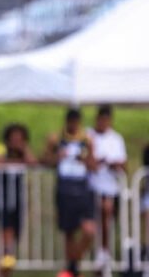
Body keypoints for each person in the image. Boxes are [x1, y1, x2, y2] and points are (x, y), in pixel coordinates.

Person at [42, 108, 96, 277]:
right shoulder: (56, 139)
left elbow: (93, 165)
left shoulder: (87, 140)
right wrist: (58, 156)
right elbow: (44, 160)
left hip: (82, 188)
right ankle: (72, 270)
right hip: (65, 187)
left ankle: (73, 264)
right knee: (69, 231)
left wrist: (85, 159)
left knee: (88, 230)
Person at [0, 123, 37, 275]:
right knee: (6, 230)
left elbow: (33, 162)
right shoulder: (0, 149)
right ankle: (5, 263)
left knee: (15, 232)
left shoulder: (22, 152)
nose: (16, 141)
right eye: (14, 138)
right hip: (3, 198)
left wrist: (23, 149)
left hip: (18, 199)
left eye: (20, 138)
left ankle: (7, 262)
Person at [86, 105, 127, 270]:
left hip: (110, 187)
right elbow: (88, 161)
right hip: (90, 187)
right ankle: (96, 253)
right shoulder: (88, 136)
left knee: (106, 212)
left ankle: (104, 251)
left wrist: (112, 164)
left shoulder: (116, 139)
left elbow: (124, 164)